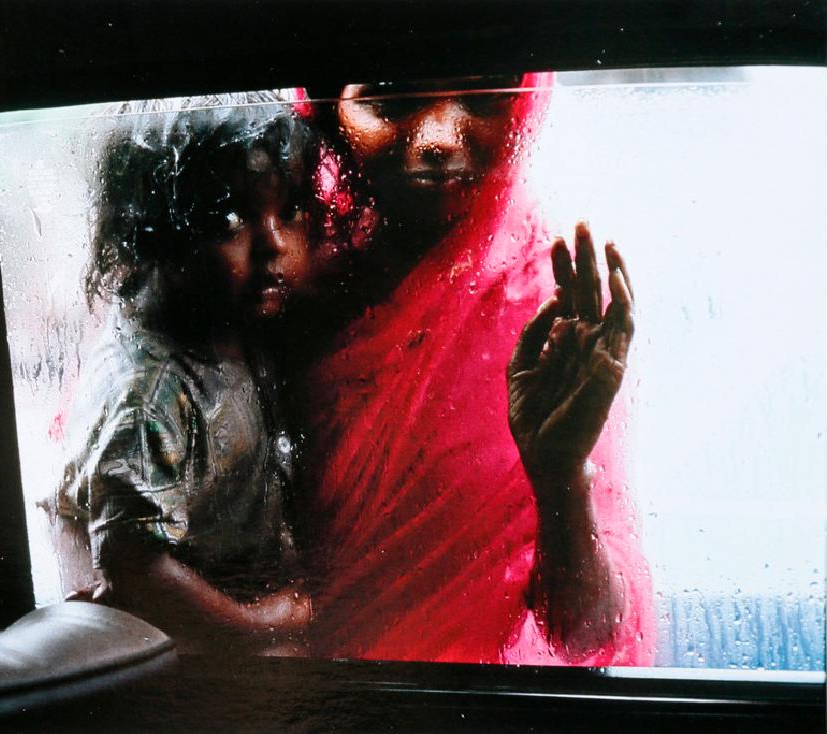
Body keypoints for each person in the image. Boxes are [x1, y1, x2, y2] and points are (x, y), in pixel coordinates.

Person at [290, 74, 655, 664]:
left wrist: (561, 476)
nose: (438, 137)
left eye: (484, 98)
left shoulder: (551, 309)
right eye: (388, 100)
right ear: (326, 111)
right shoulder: (274, 269)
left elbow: (588, 636)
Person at [53, 97, 327, 654]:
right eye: (229, 219)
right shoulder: (150, 395)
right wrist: (261, 624)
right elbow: (135, 570)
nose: (274, 244)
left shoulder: (235, 323)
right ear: (154, 237)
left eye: (291, 209)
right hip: (189, 645)